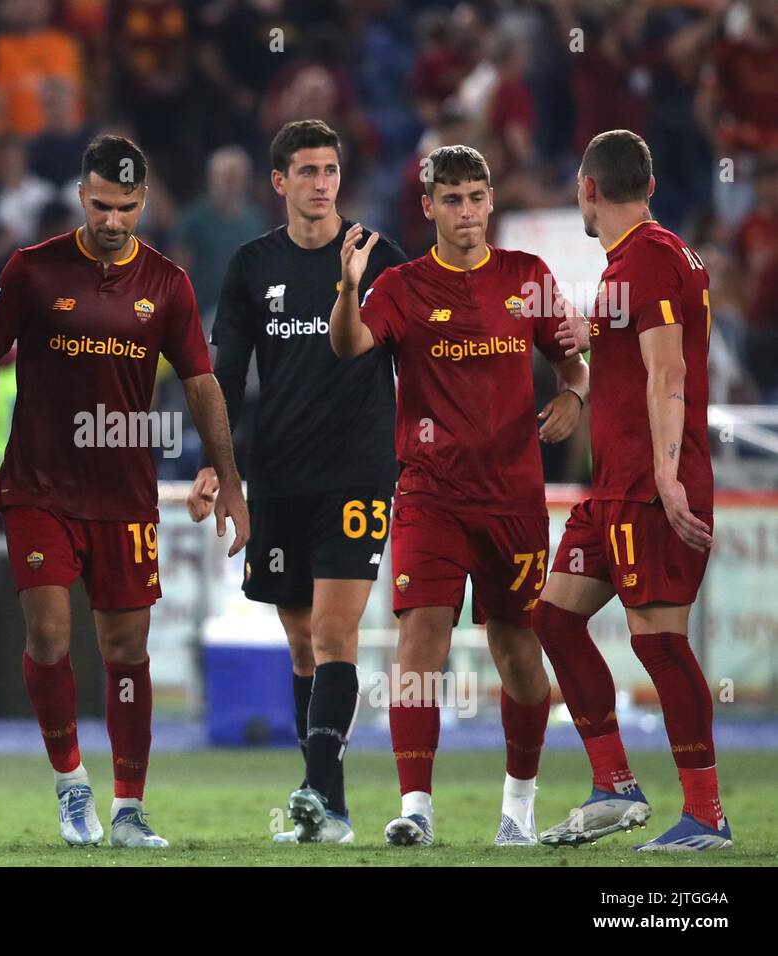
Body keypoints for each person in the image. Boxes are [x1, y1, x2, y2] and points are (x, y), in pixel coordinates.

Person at [0, 135, 250, 848]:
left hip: (125, 494)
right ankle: (71, 786)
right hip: (38, 489)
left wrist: (231, 478)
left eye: (125, 207)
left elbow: (203, 383)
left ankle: (127, 808)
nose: (112, 220)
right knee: (50, 634)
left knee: (126, 648)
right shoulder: (32, 270)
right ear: (81, 196)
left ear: (143, 203)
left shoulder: (169, 284)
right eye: (100, 205)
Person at [329, 145, 591, 847]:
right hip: (428, 495)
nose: (467, 212)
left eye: (476, 198)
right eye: (452, 200)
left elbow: (572, 356)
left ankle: (520, 807)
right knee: (420, 645)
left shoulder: (527, 277)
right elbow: (350, 344)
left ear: (490, 202)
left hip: (513, 500)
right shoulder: (402, 285)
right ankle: (416, 806)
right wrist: (346, 287)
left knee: (515, 653)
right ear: (428, 207)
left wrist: (572, 394)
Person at [187, 120, 405, 845]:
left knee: (337, 631)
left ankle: (314, 792)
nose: (321, 183)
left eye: (331, 170)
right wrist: (219, 470)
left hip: (358, 472)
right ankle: (332, 815)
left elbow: (424, 355)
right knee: (303, 640)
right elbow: (222, 374)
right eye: (307, 171)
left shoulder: (377, 257)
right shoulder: (252, 264)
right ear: (278, 183)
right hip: (279, 475)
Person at [534, 129, 732, 851]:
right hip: (611, 487)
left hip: (651, 485)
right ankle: (615, 786)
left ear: (589, 189)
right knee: (553, 619)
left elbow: (668, 373)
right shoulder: (647, 260)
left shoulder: (647, 261)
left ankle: (707, 815)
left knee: (658, 640)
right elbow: (630, 350)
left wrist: (669, 474)